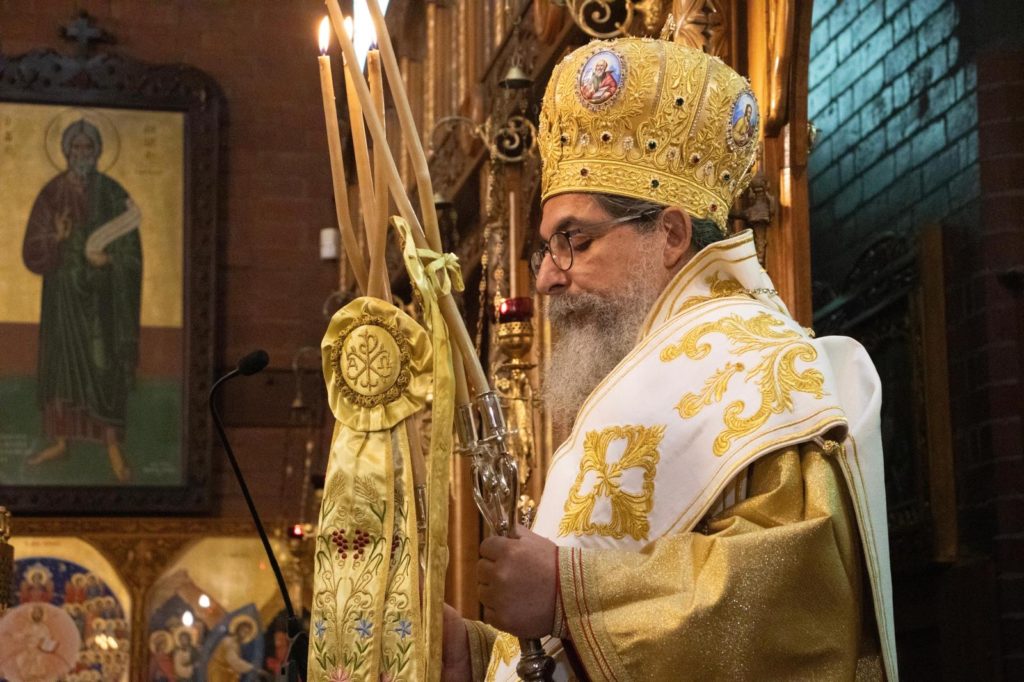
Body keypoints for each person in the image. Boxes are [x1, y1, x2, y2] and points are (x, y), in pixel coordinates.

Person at [442, 37, 898, 680]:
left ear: (672, 233)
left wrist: (569, 593)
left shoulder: (767, 377)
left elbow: (790, 613)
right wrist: (479, 653)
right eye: (545, 249)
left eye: (572, 239)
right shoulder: (641, 380)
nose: (546, 277)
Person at [21, 118, 142, 483]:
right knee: (61, 368)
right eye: (76, 149)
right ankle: (60, 440)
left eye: (88, 149)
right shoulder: (52, 193)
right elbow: (31, 251)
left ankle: (111, 445)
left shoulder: (112, 192)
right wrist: (56, 240)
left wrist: (110, 261)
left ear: (98, 152)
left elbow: (132, 253)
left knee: (104, 367)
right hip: (62, 300)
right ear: (65, 152)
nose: (82, 155)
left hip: (102, 303)